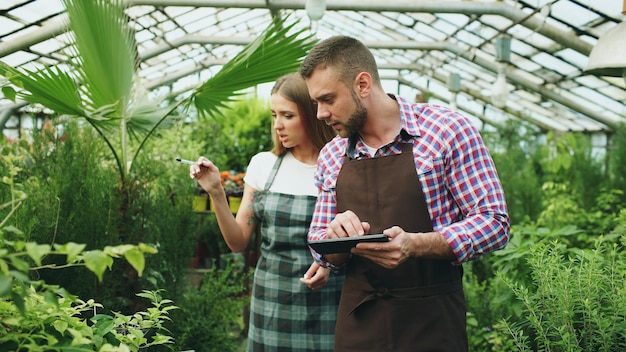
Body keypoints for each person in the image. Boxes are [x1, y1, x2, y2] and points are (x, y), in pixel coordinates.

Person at [300, 36, 510, 351]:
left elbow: (494, 223)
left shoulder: (447, 132)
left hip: (432, 323)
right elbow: (321, 247)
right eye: (316, 102)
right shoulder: (332, 155)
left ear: (363, 84)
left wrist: (417, 244)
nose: (319, 114)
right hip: (359, 324)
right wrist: (334, 237)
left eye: (328, 99)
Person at [189, 72, 343, 352]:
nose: (277, 126)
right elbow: (237, 242)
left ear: (310, 114)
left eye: (287, 115)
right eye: (274, 115)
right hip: (273, 299)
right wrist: (215, 192)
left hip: (330, 297)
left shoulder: (342, 164)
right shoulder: (263, 165)